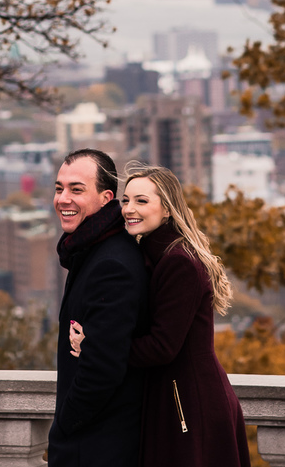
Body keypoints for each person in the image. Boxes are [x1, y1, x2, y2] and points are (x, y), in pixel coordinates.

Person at [72, 162, 250, 467]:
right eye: (126, 200)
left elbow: (162, 346)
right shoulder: (154, 253)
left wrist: (96, 348)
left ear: (167, 209)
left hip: (189, 402)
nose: (129, 209)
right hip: (174, 395)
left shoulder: (179, 262)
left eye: (142, 201)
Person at [47, 149, 149, 467]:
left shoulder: (110, 265)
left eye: (77, 190)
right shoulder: (90, 251)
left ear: (106, 198)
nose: (63, 199)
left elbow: (102, 370)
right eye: (59, 188)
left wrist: (65, 426)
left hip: (97, 448)